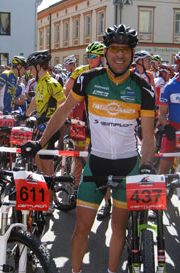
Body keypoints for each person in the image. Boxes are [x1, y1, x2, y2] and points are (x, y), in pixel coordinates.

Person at [21, 24, 156, 273]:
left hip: (129, 165)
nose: (119, 55)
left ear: (132, 53)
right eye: (114, 49)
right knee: (81, 229)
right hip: (97, 164)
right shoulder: (88, 79)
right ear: (106, 52)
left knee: (119, 228)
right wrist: (40, 142)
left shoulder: (143, 88)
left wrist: (146, 164)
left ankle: (112, 271)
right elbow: (63, 111)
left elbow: (148, 137)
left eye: (125, 50)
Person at [62, 41, 110, 220]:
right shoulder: (79, 71)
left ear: (101, 58)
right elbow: (66, 90)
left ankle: (107, 202)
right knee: (77, 155)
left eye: (94, 57)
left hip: (99, 122)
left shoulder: (107, 73)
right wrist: (66, 110)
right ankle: (76, 190)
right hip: (78, 120)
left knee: (103, 162)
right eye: (88, 56)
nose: (91, 60)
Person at [25, 50, 66, 214]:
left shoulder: (52, 83)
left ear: (38, 67)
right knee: (38, 163)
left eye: (31, 68)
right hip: (39, 126)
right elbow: (35, 100)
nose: (29, 71)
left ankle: (49, 203)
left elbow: (63, 104)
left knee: (46, 166)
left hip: (50, 128)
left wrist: (52, 121)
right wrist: (26, 114)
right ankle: (44, 197)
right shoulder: (39, 83)